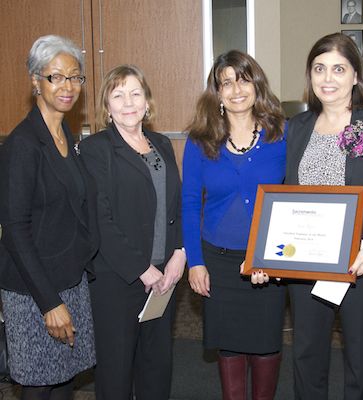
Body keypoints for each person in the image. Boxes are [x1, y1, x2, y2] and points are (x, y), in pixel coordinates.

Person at [286, 32, 363, 399]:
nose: (328, 78)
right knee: (306, 358)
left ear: (355, 75)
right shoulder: (298, 127)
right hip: (308, 263)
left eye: (338, 68)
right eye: (319, 69)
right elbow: (288, 197)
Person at [182, 50, 287, 400]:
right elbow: (189, 203)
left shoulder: (281, 136)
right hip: (218, 262)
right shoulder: (200, 140)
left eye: (243, 79)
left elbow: (295, 200)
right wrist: (195, 262)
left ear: (256, 85)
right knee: (229, 347)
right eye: (226, 82)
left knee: (266, 344)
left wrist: (271, 259)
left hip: (268, 258)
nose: (236, 89)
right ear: (217, 92)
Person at [79, 64, 186, 400]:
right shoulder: (96, 149)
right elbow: (101, 220)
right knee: (116, 374)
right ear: (106, 106)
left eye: (135, 93)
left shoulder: (161, 145)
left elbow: (175, 205)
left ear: (147, 101)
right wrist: (143, 269)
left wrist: (179, 254)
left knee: (157, 368)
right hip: (118, 280)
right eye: (118, 94)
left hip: (164, 279)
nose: (128, 102)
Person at [0, 35, 97, 399]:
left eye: (75, 77)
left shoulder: (64, 134)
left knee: (64, 380)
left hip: (68, 279)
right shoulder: (23, 145)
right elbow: (14, 229)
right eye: (56, 77)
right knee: (40, 385)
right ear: (35, 81)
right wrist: (49, 303)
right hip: (34, 290)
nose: (68, 86)